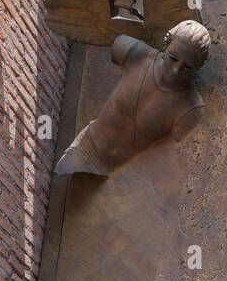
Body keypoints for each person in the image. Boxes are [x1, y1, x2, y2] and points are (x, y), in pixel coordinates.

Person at [55, 19, 211, 177]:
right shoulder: (135, 53)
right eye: (173, 58)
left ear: (198, 67)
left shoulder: (191, 109)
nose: (176, 70)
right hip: (87, 149)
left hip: (120, 179)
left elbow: (169, 158)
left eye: (188, 67)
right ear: (167, 44)